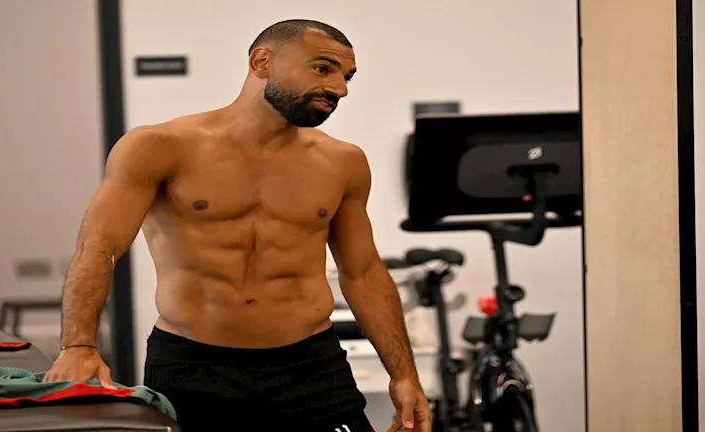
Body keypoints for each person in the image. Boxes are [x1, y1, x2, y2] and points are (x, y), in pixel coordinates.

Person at [43, 19, 431, 432]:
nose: (340, 89)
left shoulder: (343, 163)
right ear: (262, 62)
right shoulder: (158, 146)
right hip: (193, 366)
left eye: (346, 77)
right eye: (323, 69)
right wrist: (78, 344)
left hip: (311, 366)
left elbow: (363, 273)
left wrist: (404, 375)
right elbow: (99, 248)